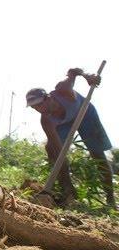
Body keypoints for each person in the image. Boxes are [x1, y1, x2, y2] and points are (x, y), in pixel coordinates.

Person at [26, 67, 116, 208]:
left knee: (97, 154)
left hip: (85, 113)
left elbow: (73, 71)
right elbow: (60, 150)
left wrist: (88, 76)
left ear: (48, 97)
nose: (38, 109)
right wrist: (63, 164)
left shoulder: (63, 89)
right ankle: (68, 191)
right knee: (52, 150)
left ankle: (110, 198)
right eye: (34, 107)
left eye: (39, 104)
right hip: (65, 123)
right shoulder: (47, 121)